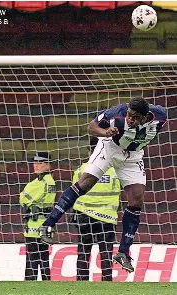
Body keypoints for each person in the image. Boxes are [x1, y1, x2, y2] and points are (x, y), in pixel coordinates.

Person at [40, 97, 167, 273]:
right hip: (109, 148)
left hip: (133, 156)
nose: (129, 119)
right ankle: (48, 224)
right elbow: (91, 126)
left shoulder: (160, 115)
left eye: (134, 117)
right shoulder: (117, 113)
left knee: (136, 200)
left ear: (145, 117)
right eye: (129, 115)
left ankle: (123, 253)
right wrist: (104, 132)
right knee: (85, 183)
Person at [70, 137, 120, 281]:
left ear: (89, 153)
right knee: (106, 252)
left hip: (85, 216)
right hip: (107, 217)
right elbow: (120, 190)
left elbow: (74, 192)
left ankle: (82, 282)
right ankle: (107, 282)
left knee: (83, 252)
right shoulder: (114, 170)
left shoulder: (81, 170)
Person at [19, 152, 56, 280]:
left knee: (34, 260)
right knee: (40, 259)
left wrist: (25, 196)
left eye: (40, 163)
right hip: (39, 225)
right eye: (35, 163)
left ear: (48, 165)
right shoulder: (39, 181)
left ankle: (32, 287)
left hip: (38, 225)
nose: (36, 165)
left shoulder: (44, 182)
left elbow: (23, 198)